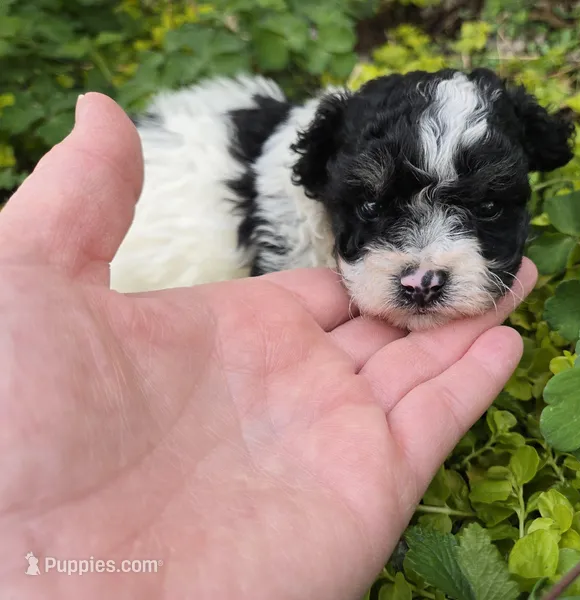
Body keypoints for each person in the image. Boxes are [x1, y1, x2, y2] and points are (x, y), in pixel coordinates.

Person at [0, 93, 536, 598]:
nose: (423, 272)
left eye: (484, 209)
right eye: (373, 210)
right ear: (321, 182)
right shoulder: (285, 211)